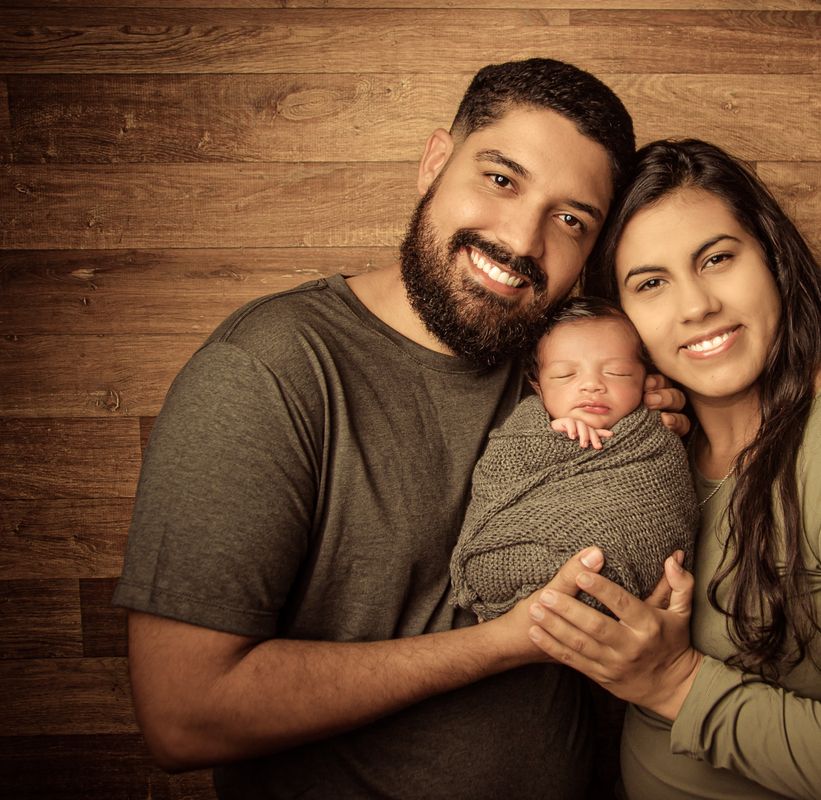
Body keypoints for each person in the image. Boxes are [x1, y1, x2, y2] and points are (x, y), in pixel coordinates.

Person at [112, 59, 688, 798]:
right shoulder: (271, 370)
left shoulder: (563, 363)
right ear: (435, 162)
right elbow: (183, 715)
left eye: (570, 218)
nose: (521, 238)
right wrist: (502, 645)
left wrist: (647, 422)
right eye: (501, 179)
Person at [525, 140, 821, 799]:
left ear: (774, 261)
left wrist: (677, 683)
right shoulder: (654, 448)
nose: (695, 305)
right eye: (651, 283)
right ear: (621, 318)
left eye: (718, 259)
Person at [451, 297, 697, 622]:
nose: (592, 385)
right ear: (537, 388)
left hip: (635, 594)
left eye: (617, 372)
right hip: (522, 568)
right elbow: (493, 488)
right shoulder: (524, 431)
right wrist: (548, 437)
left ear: (647, 381)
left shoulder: (656, 439)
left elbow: (669, 510)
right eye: (566, 375)